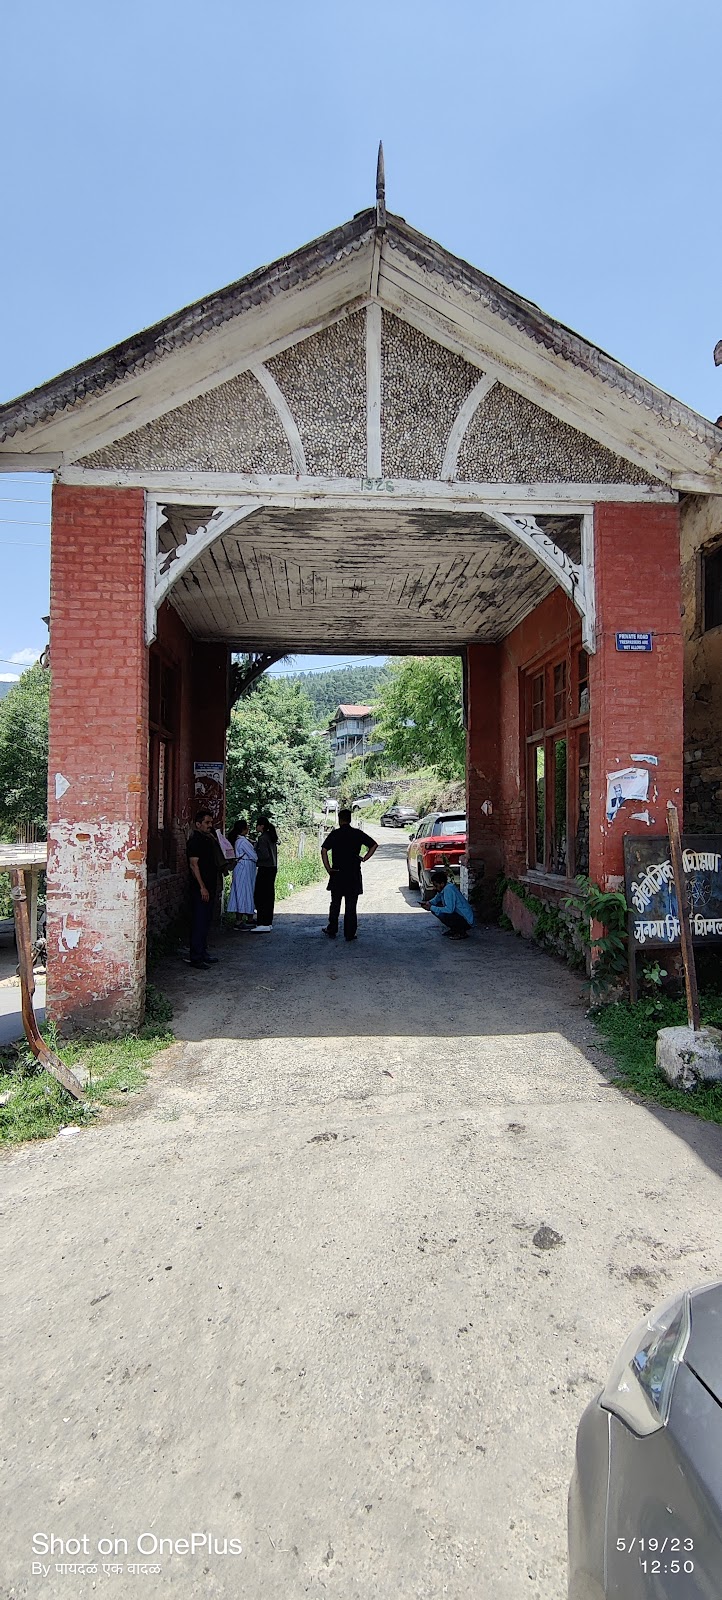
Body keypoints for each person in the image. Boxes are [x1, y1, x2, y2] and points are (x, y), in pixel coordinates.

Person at [321, 807, 378, 941]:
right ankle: (350, 933)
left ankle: (332, 928)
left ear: (340, 820)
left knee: (335, 903)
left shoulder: (335, 834)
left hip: (337, 873)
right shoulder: (357, 833)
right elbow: (374, 845)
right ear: (350, 819)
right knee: (351, 905)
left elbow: (324, 850)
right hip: (353, 873)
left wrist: (328, 868)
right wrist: (364, 858)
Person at [186, 809, 221, 968]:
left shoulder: (208, 839)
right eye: (206, 823)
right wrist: (202, 887)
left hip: (210, 885)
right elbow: (194, 865)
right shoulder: (195, 841)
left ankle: (203, 952)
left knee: (206, 920)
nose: (210, 825)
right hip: (200, 888)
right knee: (199, 921)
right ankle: (196, 957)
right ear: (198, 824)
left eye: (211, 822)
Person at [427, 867, 474, 939]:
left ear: (442, 884)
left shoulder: (448, 889)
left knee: (443, 912)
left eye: (436, 885)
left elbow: (449, 910)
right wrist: (429, 903)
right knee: (436, 908)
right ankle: (454, 929)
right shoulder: (443, 888)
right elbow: (436, 899)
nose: (434, 888)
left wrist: (431, 907)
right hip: (459, 916)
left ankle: (461, 931)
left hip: (466, 920)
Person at [227, 820, 257, 927]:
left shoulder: (238, 840)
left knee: (240, 891)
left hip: (241, 868)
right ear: (243, 829)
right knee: (245, 892)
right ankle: (241, 920)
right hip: (245, 868)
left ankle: (244, 918)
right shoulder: (243, 842)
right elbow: (253, 856)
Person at [252, 817, 278, 931]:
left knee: (260, 895)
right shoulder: (271, 836)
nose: (256, 827)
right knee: (269, 895)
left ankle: (262, 922)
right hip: (272, 867)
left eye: (257, 825)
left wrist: (254, 856)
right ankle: (268, 921)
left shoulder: (262, 838)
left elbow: (264, 855)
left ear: (261, 826)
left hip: (265, 868)